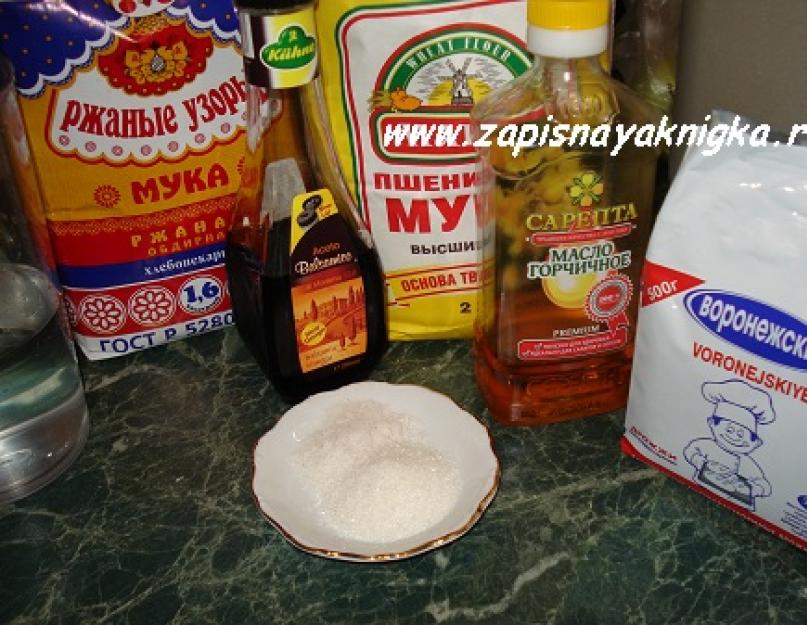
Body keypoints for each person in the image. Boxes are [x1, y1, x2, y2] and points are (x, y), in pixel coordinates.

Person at [683, 379, 775, 510]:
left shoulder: (746, 462)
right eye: (729, 430)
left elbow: (764, 485)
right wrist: (697, 460)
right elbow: (690, 451)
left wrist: (756, 489)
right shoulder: (706, 445)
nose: (733, 437)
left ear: (754, 443)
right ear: (712, 423)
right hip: (698, 488)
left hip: (736, 502)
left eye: (740, 434)